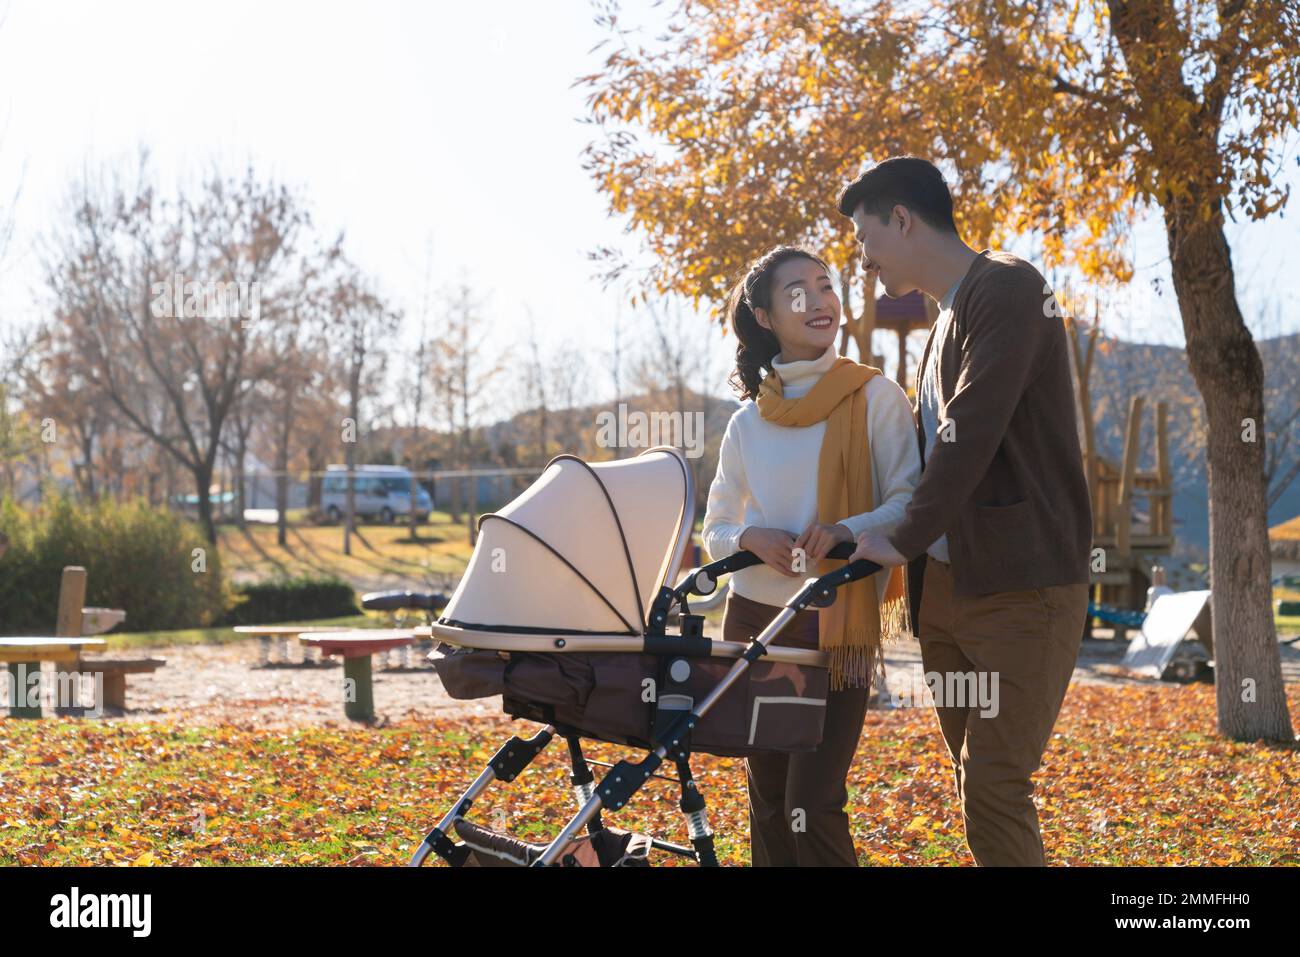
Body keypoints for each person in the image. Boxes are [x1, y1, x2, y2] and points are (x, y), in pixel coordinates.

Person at [842, 156, 1093, 866]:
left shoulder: (1010, 287)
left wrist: (902, 536)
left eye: (867, 240)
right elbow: (926, 459)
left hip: (1024, 588)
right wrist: (856, 530)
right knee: (975, 780)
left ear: (902, 218)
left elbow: (973, 427)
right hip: (948, 596)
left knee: (993, 784)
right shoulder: (939, 325)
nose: (864, 262)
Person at [702, 244, 920, 866]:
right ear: (766, 316)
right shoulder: (748, 421)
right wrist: (749, 539)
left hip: (835, 622)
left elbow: (909, 505)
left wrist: (844, 530)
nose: (821, 301)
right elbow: (715, 528)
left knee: (813, 802)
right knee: (768, 797)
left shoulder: (876, 399)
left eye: (826, 286)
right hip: (753, 623)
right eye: (799, 291)